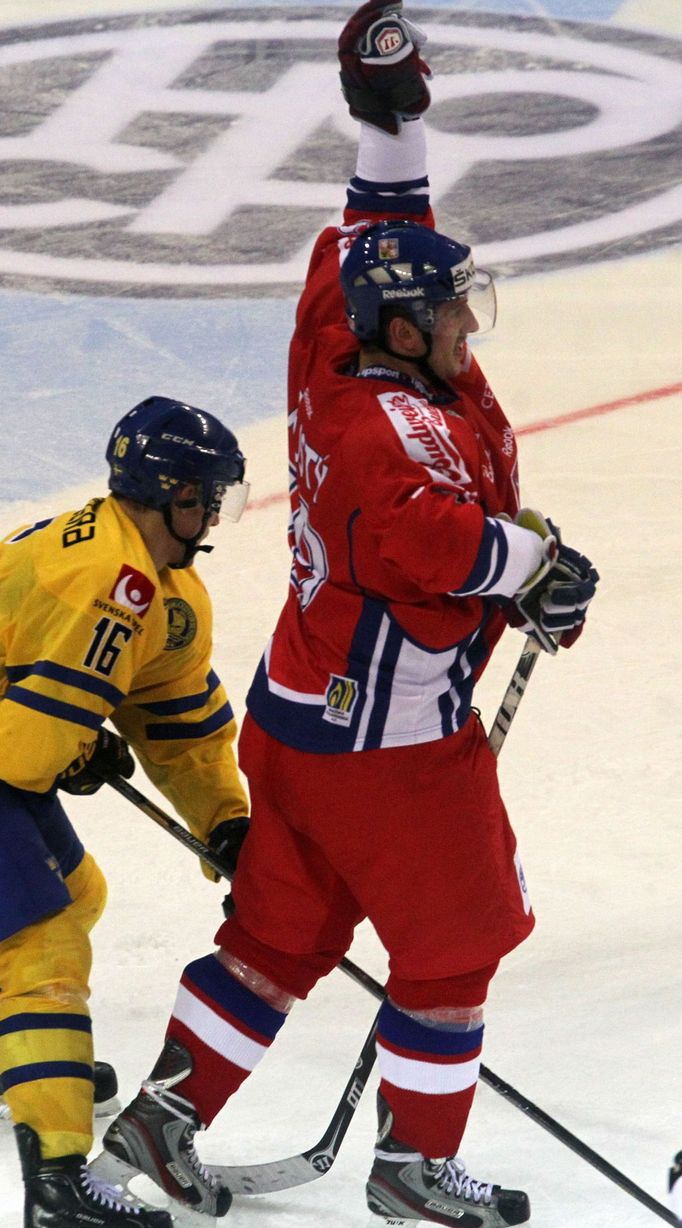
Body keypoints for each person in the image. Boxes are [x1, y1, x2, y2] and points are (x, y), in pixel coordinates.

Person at [98, 5, 599, 1226]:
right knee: (456, 944)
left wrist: (395, 127)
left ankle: (164, 1118)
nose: (465, 323)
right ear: (401, 330)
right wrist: (522, 564)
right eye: (451, 312)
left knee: (277, 933)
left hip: (300, 718)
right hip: (391, 757)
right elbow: (421, 544)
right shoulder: (391, 430)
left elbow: (378, 232)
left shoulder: (339, 336)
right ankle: (412, 1163)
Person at [0, 395, 251, 1227]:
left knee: (76, 892)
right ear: (167, 491)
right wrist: (77, 749)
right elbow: (26, 755)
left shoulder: (162, 589)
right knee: (43, 938)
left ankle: (19, 1054)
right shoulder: (108, 583)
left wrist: (227, 825)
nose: (214, 512)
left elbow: (180, 727)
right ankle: (57, 1184)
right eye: (204, 496)